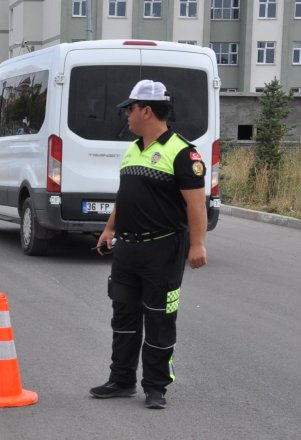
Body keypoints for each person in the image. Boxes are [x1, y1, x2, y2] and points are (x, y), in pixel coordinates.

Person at [90, 79, 208, 410]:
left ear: (147, 110)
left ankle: (155, 386)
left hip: (163, 249)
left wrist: (197, 244)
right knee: (123, 317)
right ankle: (121, 379)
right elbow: (125, 196)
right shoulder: (133, 149)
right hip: (127, 249)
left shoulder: (183, 152)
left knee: (158, 319)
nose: (126, 115)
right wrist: (109, 228)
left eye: (130, 109)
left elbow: (196, 204)